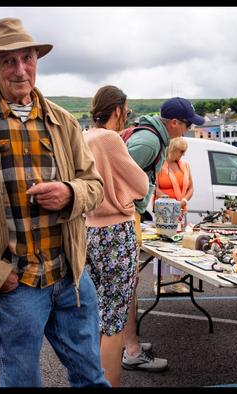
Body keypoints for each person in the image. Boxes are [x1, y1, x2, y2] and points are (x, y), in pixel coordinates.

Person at [0, 17, 108, 388]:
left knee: (92, 376)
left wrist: (70, 192)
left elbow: (94, 185)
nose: (20, 69)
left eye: (27, 58)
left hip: (71, 277)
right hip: (17, 283)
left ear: (36, 60)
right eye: (8, 61)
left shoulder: (62, 121)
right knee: (21, 381)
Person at [121, 97, 204, 372]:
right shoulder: (150, 142)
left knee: (128, 286)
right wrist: (129, 206)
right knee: (127, 286)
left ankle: (128, 340)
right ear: (174, 123)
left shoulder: (154, 137)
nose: (189, 129)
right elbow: (114, 174)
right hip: (125, 215)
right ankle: (131, 350)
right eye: (188, 124)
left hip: (130, 212)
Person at [83, 85, 149, 386]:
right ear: (119, 110)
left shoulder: (83, 136)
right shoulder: (110, 139)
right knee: (114, 321)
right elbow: (140, 184)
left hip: (88, 230)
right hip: (115, 232)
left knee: (96, 314)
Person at [153, 137, 194, 293]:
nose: (183, 155)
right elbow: (154, 187)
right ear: (172, 149)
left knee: (179, 245)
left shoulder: (185, 166)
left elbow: (191, 188)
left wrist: (183, 201)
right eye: (181, 151)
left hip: (180, 212)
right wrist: (168, 200)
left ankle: (177, 282)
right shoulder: (160, 166)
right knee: (161, 246)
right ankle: (159, 282)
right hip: (164, 211)